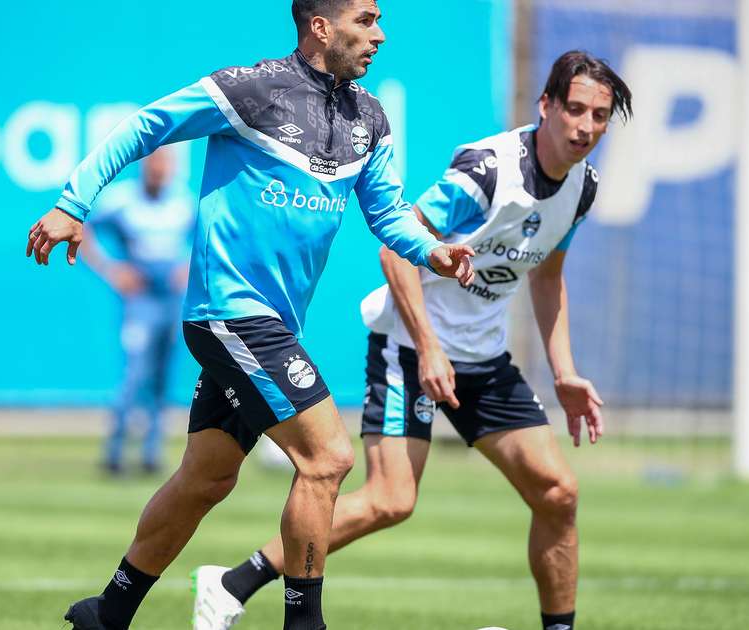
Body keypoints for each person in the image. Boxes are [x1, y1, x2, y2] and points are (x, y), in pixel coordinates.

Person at [24, 1, 476, 628]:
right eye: (367, 19)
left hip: (272, 328)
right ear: (321, 26)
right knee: (328, 459)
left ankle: (109, 611)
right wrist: (73, 203)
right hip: (231, 315)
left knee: (205, 479)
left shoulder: (368, 116)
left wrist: (434, 250)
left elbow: (388, 211)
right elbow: (143, 127)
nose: (381, 34)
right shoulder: (252, 88)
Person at [193, 50, 632, 630]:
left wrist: (565, 372)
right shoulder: (488, 171)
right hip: (409, 350)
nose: (586, 126)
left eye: (600, 116)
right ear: (546, 105)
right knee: (392, 499)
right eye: (575, 109)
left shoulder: (583, 187)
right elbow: (394, 253)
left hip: (483, 358)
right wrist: (427, 345)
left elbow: (547, 274)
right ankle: (234, 582)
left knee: (558, 492)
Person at [80, 147, 194, 475]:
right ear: (144, 166)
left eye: (165, 165)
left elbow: (206, 238)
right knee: (134, 374)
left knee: (162, 376)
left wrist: (187, 268)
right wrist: (112, 270)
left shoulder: (182, 202)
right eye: (154, 164)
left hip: (172, 299)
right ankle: (115, 451)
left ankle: (151, 453)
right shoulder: (123, 201)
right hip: (141, 299)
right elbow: (84, 228)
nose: (159, 171)